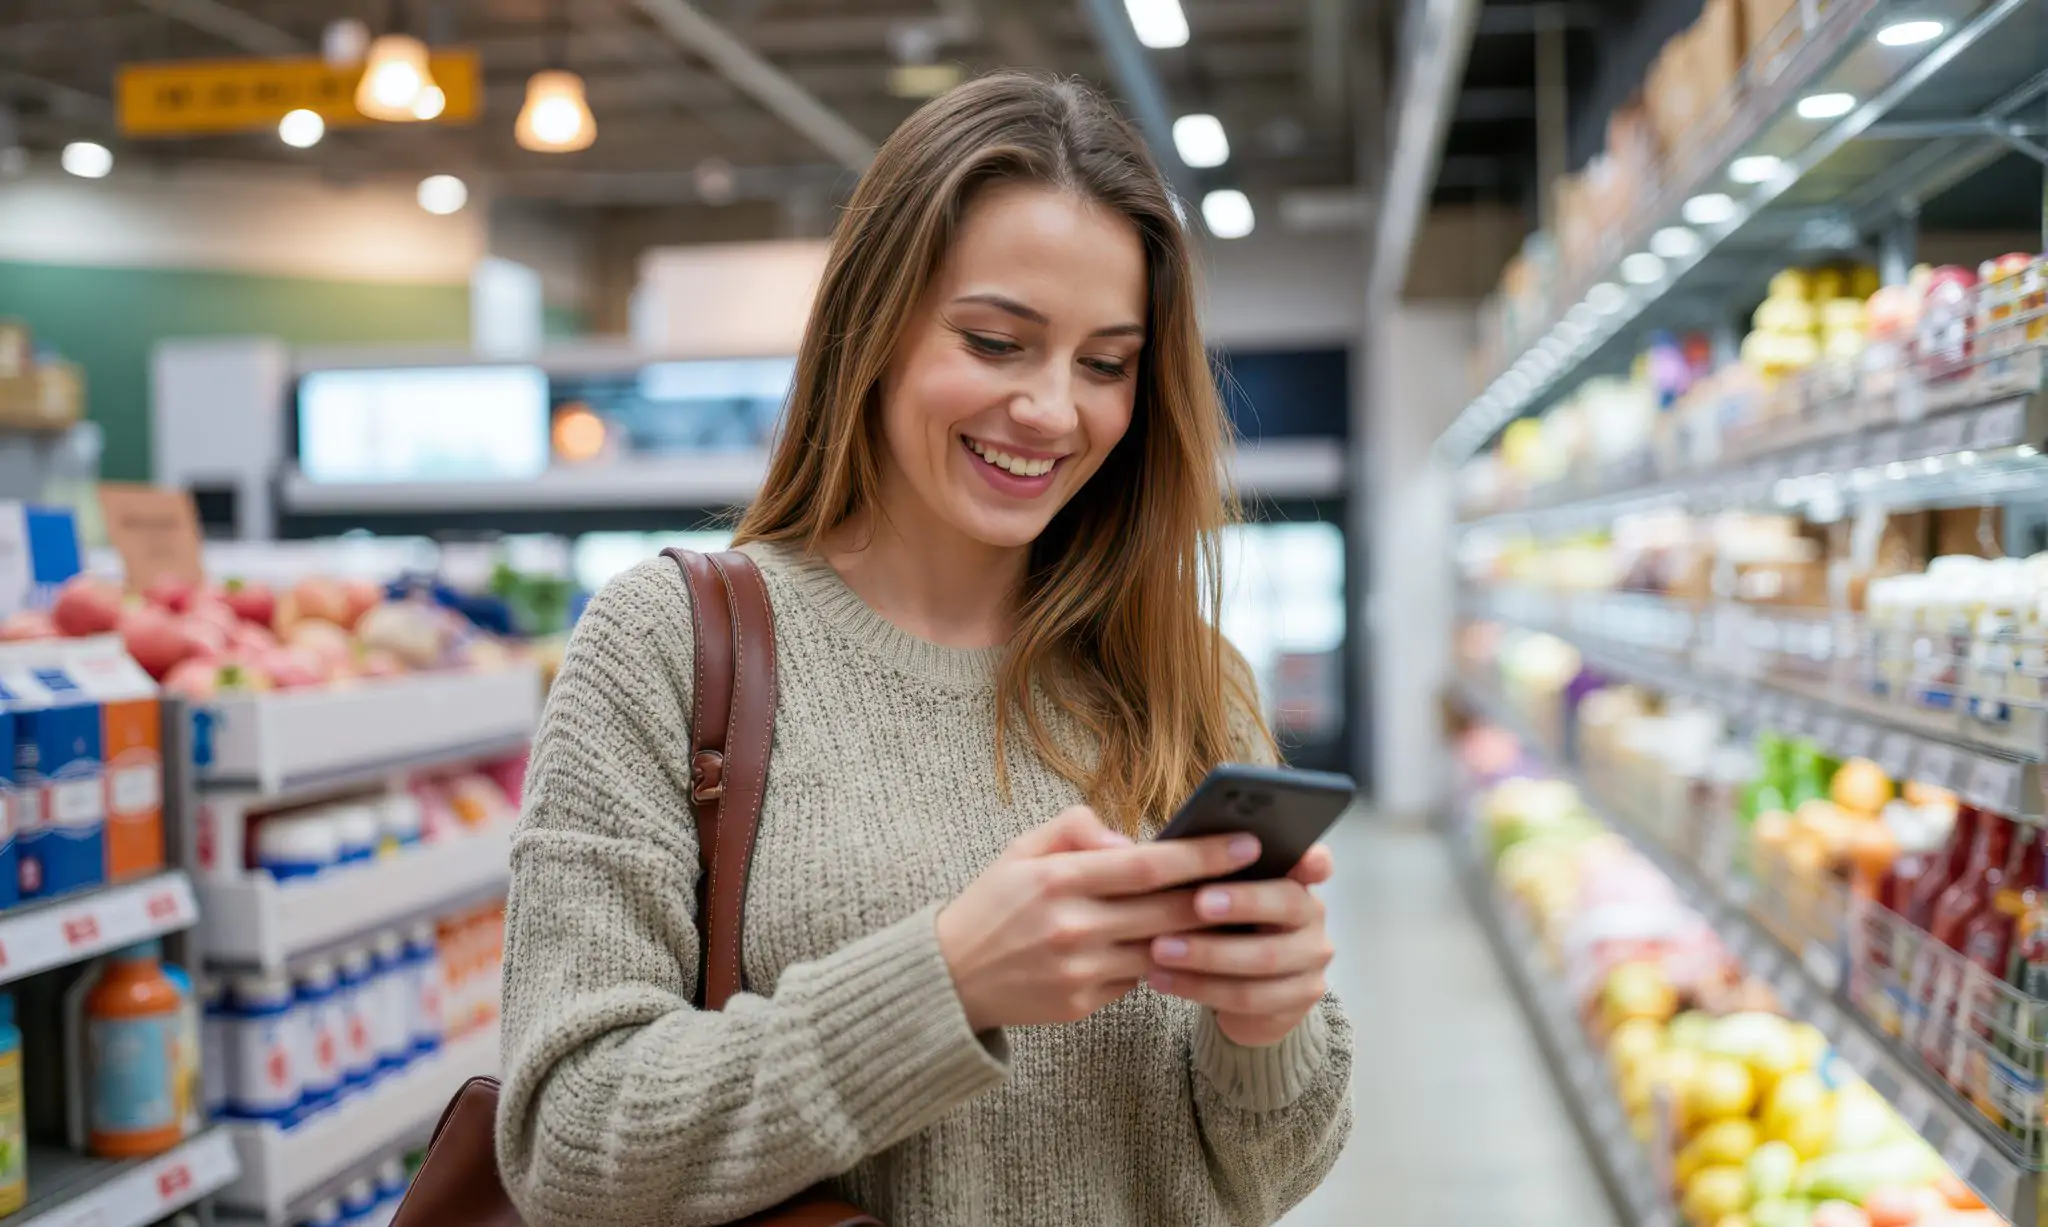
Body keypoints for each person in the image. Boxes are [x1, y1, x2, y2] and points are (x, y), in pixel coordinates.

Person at [496, 71, 1354, 1227]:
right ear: (875, 323)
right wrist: (943, 982)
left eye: (1104, 364)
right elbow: (566, 1140)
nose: (1052, 409)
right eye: (997, 342)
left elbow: (1266, 1174)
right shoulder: (666, 647)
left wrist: (1268, 1026)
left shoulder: (1188, 679)